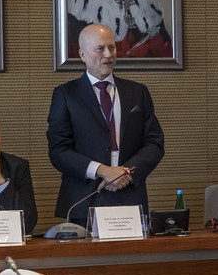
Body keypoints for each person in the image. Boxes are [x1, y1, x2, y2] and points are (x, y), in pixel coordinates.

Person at [46, 23, 166, 225]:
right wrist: (103, 170)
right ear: (82, 54)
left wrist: (127, 173)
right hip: (84, 200)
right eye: (100, 49)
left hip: (130, 197)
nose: (108, 55)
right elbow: (58, 151)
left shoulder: (137, 92)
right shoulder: (65, 95)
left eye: (112, 47)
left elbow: (154, 143)